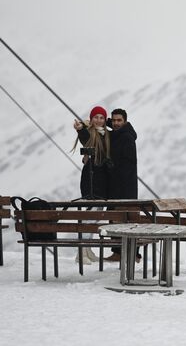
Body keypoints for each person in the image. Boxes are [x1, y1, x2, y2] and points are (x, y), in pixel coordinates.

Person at [72, 105, 111, 264]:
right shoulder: (91, 133)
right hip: (91, 178)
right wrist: (81, 129)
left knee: (96, 215)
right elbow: (84, 138)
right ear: (92, 118)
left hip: (102, 179)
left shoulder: (107, 135)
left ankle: (88, 249)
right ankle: (81, 252)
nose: (99, 120)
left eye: (102, 118)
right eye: (96, 117)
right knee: (89, 214)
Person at [103, 108, 139, 262]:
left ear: (125, 121)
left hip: (125, 186)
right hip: (115, 185)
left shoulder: (127, 137)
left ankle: (131, 254)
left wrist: (113, 166)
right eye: (114, 120)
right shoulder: (116, 134)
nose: (116, 123)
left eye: (119, 120)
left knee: (126, 220)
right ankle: (118, 252)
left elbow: (129, 163)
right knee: (116, 219)